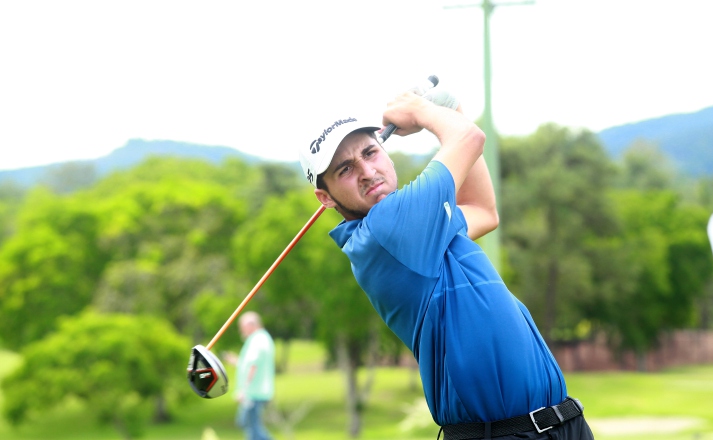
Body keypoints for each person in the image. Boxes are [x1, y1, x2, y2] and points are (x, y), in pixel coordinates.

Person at [298, 86, 595, 439]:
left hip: (561, 424)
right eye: (345, 169)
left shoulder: (421, 231)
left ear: (386, 154)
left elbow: (484, 212)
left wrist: (452, 109)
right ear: (325, 197)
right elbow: (468, 138)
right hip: (503, 434)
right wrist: (423, 110)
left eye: (370, 152)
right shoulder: (386, 228)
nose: (367, 171)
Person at [223, 311, 275, 440]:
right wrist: (236, 361)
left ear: (250, 325)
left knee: (253, 429)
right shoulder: (263, 338)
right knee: (250, 428)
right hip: (258, 392)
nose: (241, 331)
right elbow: (249, 363)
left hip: (253, 393)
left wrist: (244, 391)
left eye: (242, 327)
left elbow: (253, 366)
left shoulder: (257, 339)